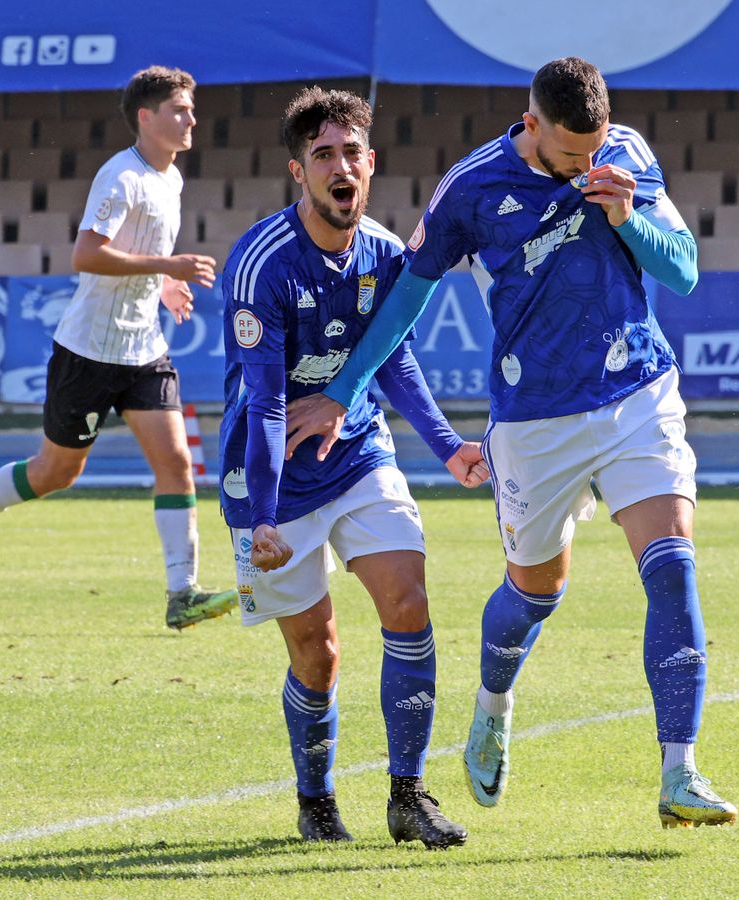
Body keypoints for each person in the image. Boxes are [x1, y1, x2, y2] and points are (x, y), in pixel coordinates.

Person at [281, 57, 736, 829]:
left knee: (671, 565)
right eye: (569, 156)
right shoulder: (471, 189)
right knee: (533, 595)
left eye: (593, 151)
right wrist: (341, 393)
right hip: (535, 423)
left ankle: (679, 772)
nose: (585, 167)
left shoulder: (625, 154)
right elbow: (403, 307)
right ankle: (492, 704)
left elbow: (685, 272)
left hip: (637, 395)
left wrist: (634, 219)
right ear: (531, 127)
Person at [220, 86, 487, 847]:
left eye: (352, 154)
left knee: (407, 600)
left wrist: (448, 448)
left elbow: (395, 359)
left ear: (371, 164)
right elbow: (268, 407)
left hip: (360, 455)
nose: (342, 168)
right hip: (268, 480)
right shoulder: (261, 267)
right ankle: (315, 801)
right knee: (318, 651)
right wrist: (266, 516)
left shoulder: (384, 255)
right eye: (324, 156)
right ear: (298, 172)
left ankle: (409, 794)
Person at [0, 66, 235, 631]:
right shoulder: (119, 177)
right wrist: (167, 265)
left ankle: (182, 593)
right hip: (89, 351)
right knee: (55, 472)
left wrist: (162, 284)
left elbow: (138, 249)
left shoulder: (172, 179)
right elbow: (86, 255)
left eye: (191, 109)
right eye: (179, 109)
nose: (191, 118)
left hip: (144, 349)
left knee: (177, 465)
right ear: (147, 116)